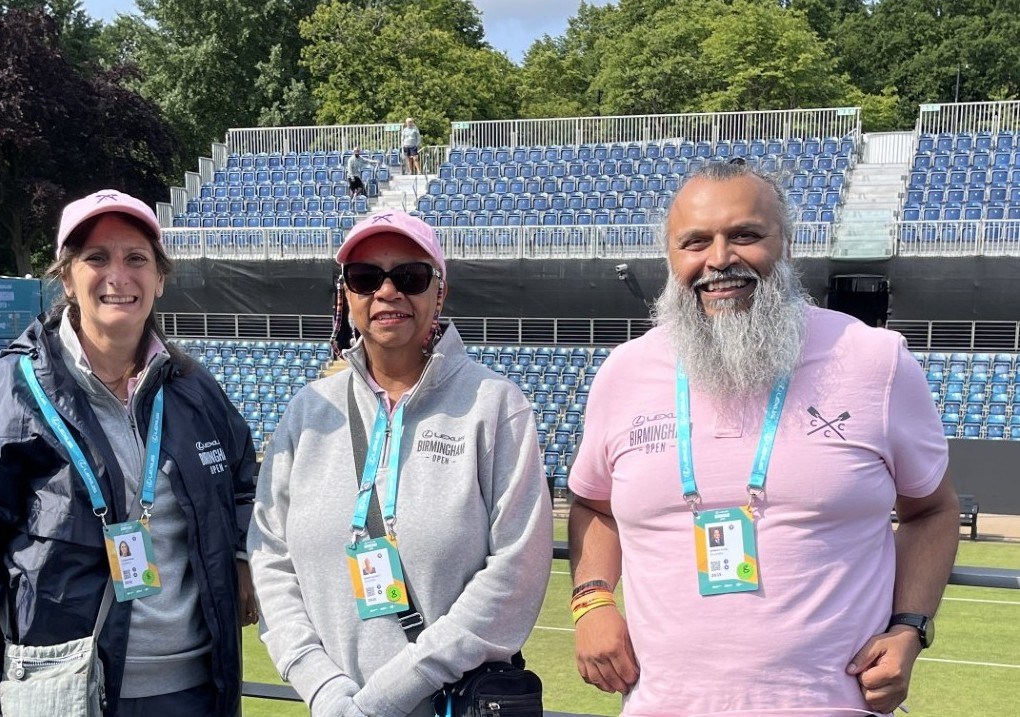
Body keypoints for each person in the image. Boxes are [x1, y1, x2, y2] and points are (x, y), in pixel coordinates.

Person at [568, 161, 961, 716]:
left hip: (833, 705)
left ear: (787, 245)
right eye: (695, 242)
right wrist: (592, 601)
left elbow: (932, 511)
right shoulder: (624, 371)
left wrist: (910, 628)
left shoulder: (875, 359)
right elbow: (592, 506)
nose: (720, 259)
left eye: (746, 235)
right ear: (671, 258)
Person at [0, 189, 259, 717]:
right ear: (66, 278)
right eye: (96, 258)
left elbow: (243, 478)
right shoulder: (0, 395)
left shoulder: (195, 390)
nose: (118, 277)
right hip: (64, 692)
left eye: (136, 259)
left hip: (198, 688)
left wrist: (241, 554)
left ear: (160, 278)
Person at [248, 209, 552, 717]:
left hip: (449, 705)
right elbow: (270, 556)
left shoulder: (495, 404)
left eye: (409, 276)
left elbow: (516, 572)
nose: (387, 292)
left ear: (440, 291)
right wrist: (322, 688)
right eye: (366, 278)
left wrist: (387, 696)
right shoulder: (308, 410)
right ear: (346, 295)